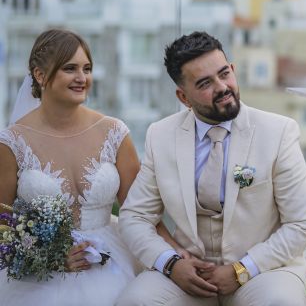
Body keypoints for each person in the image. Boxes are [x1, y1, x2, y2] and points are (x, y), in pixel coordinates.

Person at [116, 31, 306, 306]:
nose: (222, 87)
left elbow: (304, 223)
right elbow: (134, 216)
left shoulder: (278, 132)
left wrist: (242, 269)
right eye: (205, 83)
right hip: (190, 273)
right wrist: (171, 264)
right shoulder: (161, 135)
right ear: (183, 97)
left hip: (266, 270)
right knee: (135, 302)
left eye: (224, 74)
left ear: (233, 70)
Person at [0, 29, 177, 305]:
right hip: (39, 276)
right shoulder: (12, 142)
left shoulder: (114, 133)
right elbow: (2, 223)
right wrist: (48, 257)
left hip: (114, 258)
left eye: (87, 68)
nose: (82, 78)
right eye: (70, 69)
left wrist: (176, 255)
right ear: (40, 75)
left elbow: (141, 210)